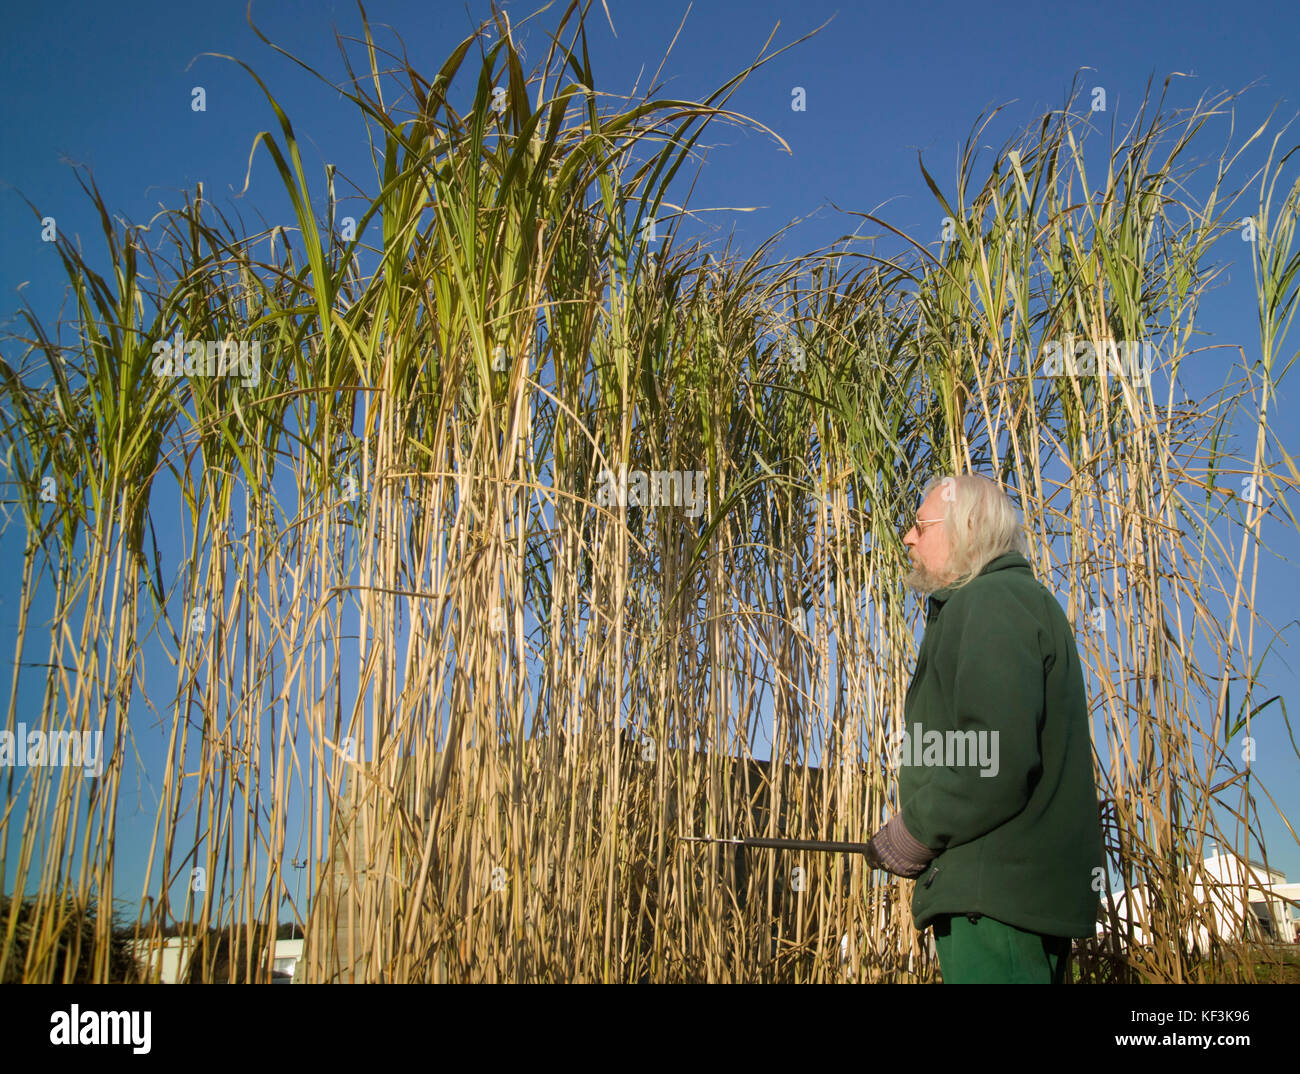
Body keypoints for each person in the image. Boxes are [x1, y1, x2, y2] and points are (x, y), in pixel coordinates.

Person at [863, 473, 1105, 983]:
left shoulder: (992, 602)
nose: (908, 538)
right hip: (1002, 897)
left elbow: (992, 758)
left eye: (920, 525)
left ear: (966, 528)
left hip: (996, 901)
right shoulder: (1004, 602)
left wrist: (914, 830)